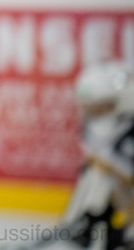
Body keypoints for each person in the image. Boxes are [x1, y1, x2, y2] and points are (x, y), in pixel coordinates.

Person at [56, 60, 134, 250]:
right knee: (94, 174)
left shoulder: (128, 131)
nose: (93, 113)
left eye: (101, 107)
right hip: (121, 197)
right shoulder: (95, 128)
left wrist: (105, 166)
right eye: (90, 107)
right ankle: (81, 226)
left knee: (98, 173)